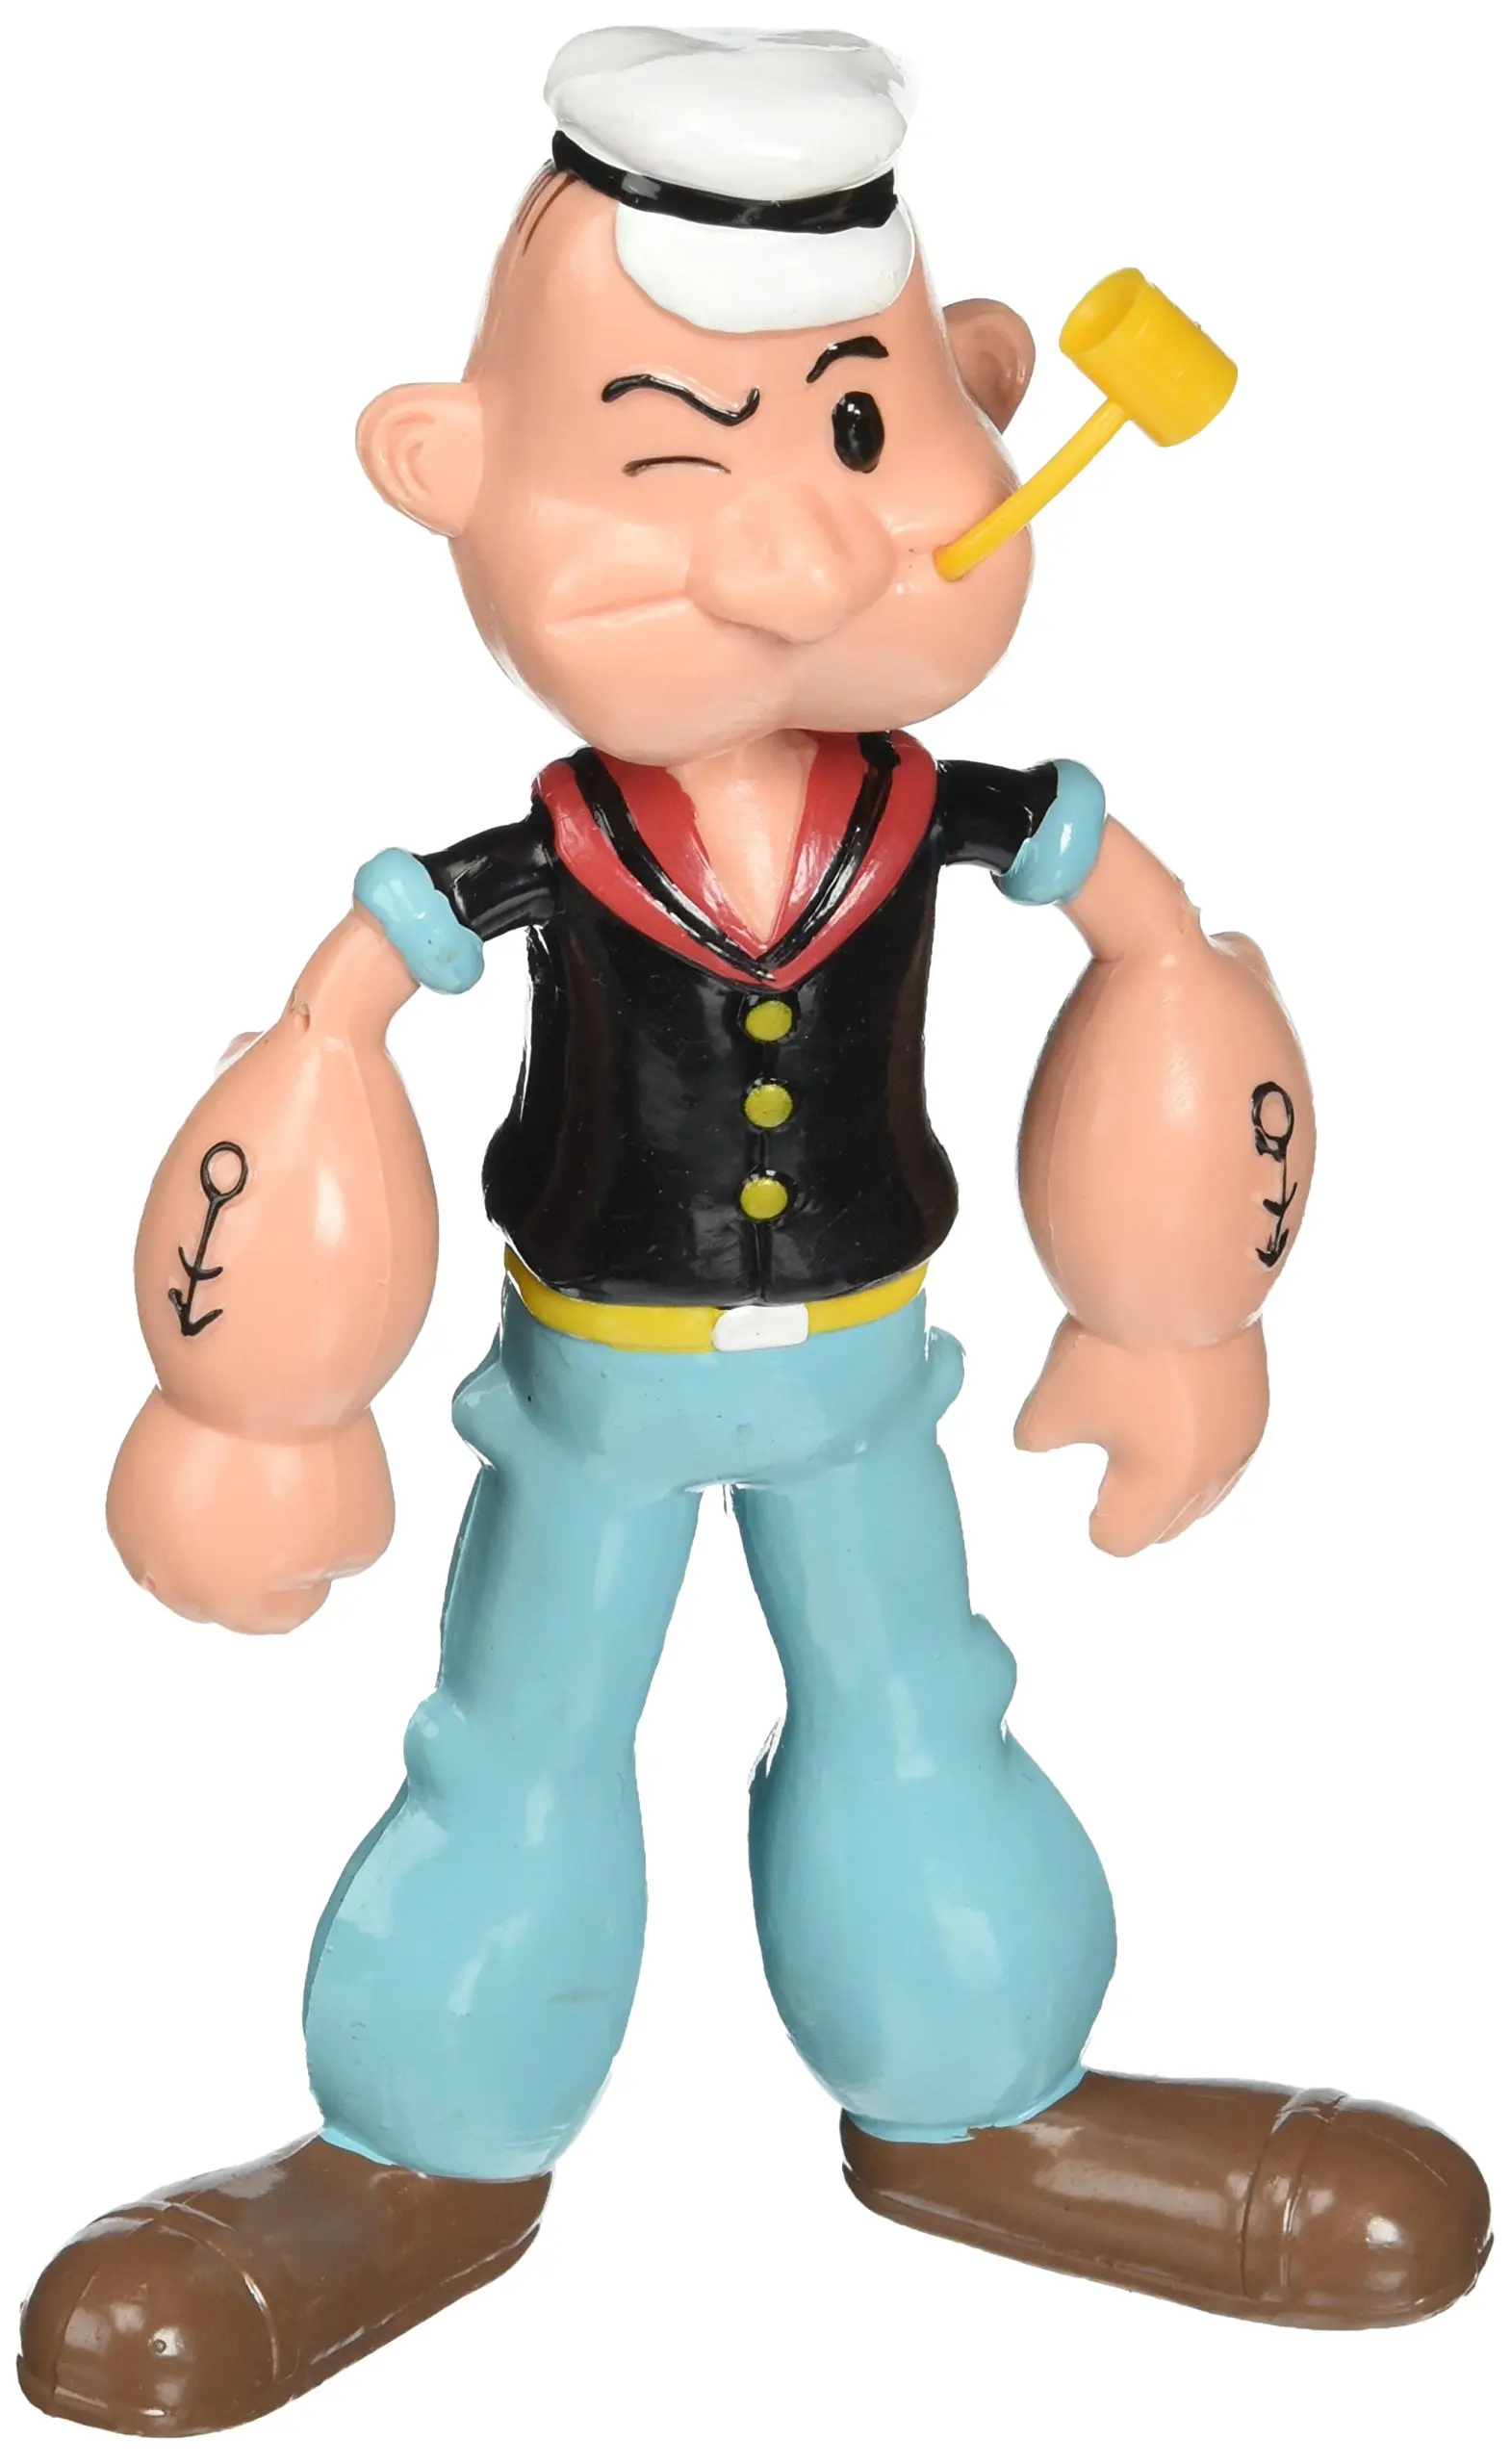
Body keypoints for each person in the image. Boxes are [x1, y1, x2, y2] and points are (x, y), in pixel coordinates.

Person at [19, 27, 1489, 2439]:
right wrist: (252, 1401)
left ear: (986, 391)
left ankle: (980, 2091)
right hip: (593, 1387)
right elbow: (320, 1052)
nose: (797, 550)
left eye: (860, 426)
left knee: (917, 1705)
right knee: (517, 1740)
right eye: (669, 449)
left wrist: (1173, 1306)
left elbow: (1164, 972)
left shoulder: (963, 813)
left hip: (866, 1370)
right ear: (442, 467)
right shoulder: (524, 864)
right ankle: (425, 2146)